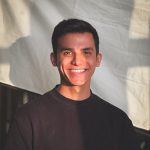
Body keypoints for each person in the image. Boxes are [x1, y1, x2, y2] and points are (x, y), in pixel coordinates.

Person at [4, 18, 139, 150]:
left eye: (86, 52)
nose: (77, 61)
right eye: (68, 52)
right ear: (53, 59)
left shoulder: (118, 121)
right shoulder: (28, 118)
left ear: (98, 59)